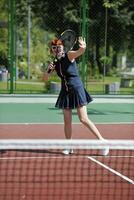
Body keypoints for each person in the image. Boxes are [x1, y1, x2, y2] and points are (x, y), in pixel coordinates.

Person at [45, 36, 109, 155]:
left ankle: (103, 142)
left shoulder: (69, 55)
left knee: (83, 119)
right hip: (65, 91)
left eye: (59, 46)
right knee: (67, 121)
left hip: (76, 88)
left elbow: (80, 52)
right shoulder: (55, 62)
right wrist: (48, 71)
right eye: (54, 47)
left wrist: (83, 47)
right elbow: (44, 78)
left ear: (63, 47)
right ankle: (69, 146)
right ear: (52, 49)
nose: (57, 49)